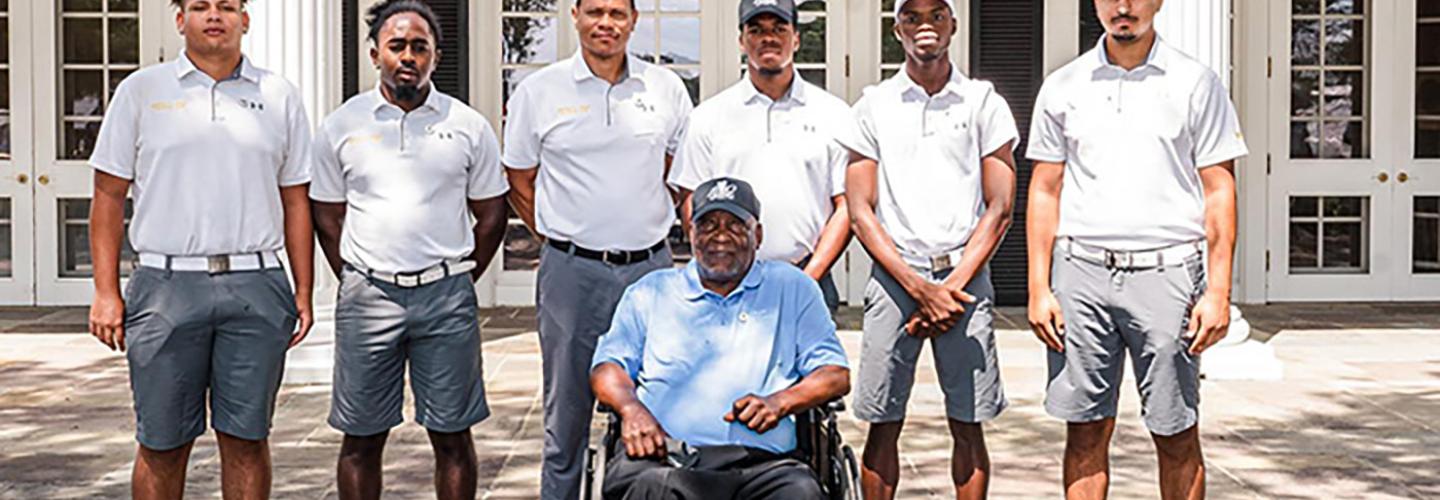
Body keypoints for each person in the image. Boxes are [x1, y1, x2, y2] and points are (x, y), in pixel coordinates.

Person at [86, 0, 314, 498]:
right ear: (180, 19)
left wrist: (304, 290)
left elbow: (296, 199)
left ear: (245, 20)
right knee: (162, 442)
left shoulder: (278, 95)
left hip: (256, 284)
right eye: (200, 6)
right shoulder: (141, 92)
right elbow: (107, 195)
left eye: (228, 6)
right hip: (165, 288)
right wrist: (105, 291)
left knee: (247, 438)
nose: (215, 15)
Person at [1025, 0, 1248, 498]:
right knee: (1084, 429)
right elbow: (1044, 189)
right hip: (1080, 273)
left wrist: (1219, 292)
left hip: (1168, 274)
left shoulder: (1196, 81)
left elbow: (1219, 190)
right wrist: (1038, 287)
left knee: (1175, 430)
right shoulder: (1064, 85)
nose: (1122, 8)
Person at [309, 2, 510, 499]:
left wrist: (461, 277)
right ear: (375, 52)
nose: (408, 56)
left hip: (445, 297)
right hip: (368, 296)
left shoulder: (467, 125)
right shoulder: (341, 126)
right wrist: (356, 276)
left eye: (419, 47)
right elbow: (327, 217)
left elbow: (491, 215)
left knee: (452, 434)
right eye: (397, 45)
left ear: (436, 57)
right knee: (360, 436)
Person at [501, 0, 695, 497]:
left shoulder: (665, 88)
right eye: (594, 12)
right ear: (575, 16)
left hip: (650, 270)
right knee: (565, 417)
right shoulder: (539, 91)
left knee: (659, 402)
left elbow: (679, 174)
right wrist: (557, 236)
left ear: (633, 20)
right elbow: (519, 178)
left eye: (616, 12)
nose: (604, 23)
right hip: (571, 273)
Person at [835, 0, 1019, 498]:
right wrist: (918, 287)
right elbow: (859, 211)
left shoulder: (983, 101)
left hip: (965, 277)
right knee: (882, 421)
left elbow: (1000, 206)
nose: (925, 26)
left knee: (969, 422)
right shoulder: (872, 104)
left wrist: (950, 290)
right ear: (897, 28)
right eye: (912, 16)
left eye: (936, 14)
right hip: (896, 280)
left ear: (953, 25)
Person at [591, 177, 850, 500]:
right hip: (665, 459)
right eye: (708, 225)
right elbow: (607, 366)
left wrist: (780, 402)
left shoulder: (793, 287)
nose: (720, 236)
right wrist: (631, 409)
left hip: (765, 466)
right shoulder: (650, 291)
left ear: (758, 236)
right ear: (691, 234)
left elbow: (835, 374)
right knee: (650, 489)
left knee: (801, 493)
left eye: (735, 225)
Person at [669, 0, 851, 311]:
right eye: (756, 30)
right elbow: (691, 199)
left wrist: (809, 278)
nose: (769, 37)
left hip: (811, 277)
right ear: (742, 41)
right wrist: (716, 263)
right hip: (727, 282)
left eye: (779, 28)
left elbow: (846, 207)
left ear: (796, 38)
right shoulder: (709, 116)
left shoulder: (834, 114)